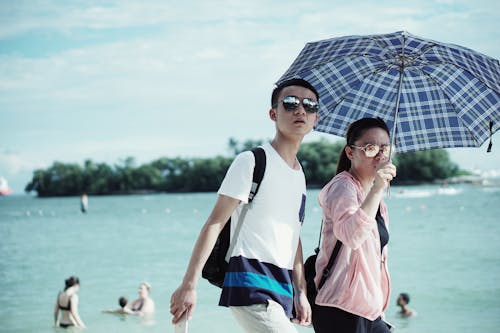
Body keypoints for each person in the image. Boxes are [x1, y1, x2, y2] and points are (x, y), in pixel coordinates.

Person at [170, 78, 319, 332]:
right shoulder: (252, 161)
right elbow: (215, 223)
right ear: (273, 113)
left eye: (310, 105)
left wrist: (301, 291)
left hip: (282, 285)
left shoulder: (299, 175)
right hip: (249, 279)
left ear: (316, 119)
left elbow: (294, 236)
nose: (300, 110)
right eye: (291, 103)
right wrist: (189, 285)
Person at [312, 118, 397, 333]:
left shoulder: (377, 200)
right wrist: (378, 188)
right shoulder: (342, 186)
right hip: (341, 308)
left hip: (369, 311)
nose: (380, 155)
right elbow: (352, 236)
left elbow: (375, 260)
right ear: (350, 153)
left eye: (385, 148)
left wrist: (378, 307)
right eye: (370, 148)